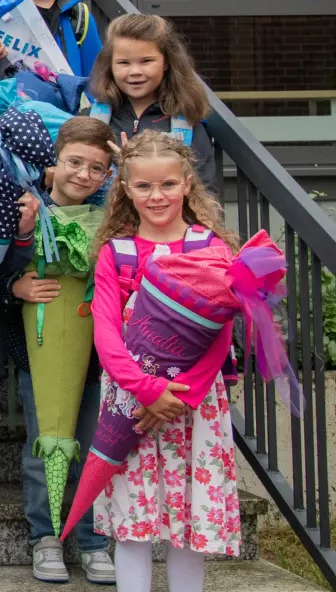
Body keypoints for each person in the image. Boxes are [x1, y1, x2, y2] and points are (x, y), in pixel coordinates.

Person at [90, 131, 243, 592]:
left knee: (188, 524)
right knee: (133, 520)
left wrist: (182, 392)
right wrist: (146, 389)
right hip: (131, 403)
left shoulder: (210, 249)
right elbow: (106, 332)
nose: (156, 196)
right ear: (125, 189)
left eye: (168, 185)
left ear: (188, 184)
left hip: (194, 407)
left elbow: (220, 335)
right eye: (144, 187)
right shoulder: (116, 254)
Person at [0, 117, 117, 585]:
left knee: (91, 447)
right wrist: (15, 286)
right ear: (52, 164)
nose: (83, 174)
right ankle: (46, 538)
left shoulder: (111, 223)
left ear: (108, 176)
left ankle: (91, 540)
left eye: (96, 168)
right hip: (37, 357)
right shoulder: (25, 211)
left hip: (94, 360)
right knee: (44, 447)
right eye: (74, 162)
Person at [84, 13, 218, 193]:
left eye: (146, 61)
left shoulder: (189, 127)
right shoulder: (90, 120)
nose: (135, 71)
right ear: (110, 66)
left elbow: (206, 194)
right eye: (123, 63)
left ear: (166, 63)